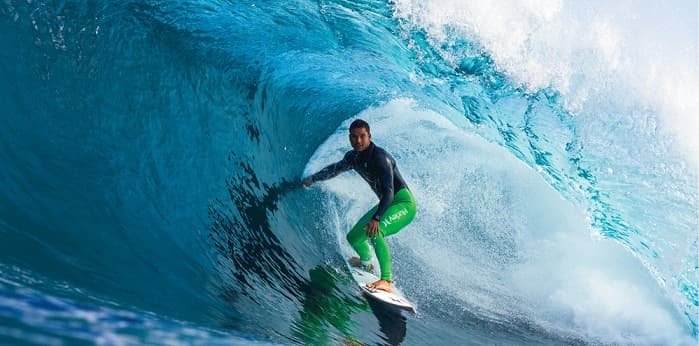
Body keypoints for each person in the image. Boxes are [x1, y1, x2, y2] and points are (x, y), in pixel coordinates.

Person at [302, 119, 416, 292]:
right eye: (354, 137)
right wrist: (313, 179)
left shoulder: (380, 158)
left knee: (375, 232)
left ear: (369, 136)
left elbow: (389, 192)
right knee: (354, 237)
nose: (358, 141)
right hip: (388, 202)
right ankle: (366, 264)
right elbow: (334, 169)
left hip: (403, 203)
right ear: (349, 138)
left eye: (362, 136)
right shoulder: (352, 157)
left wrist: (376, 218)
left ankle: (386, 280)